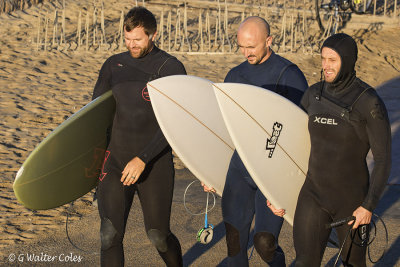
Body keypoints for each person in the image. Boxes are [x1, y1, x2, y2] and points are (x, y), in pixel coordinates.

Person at [203, 16, 308, 267]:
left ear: (269, 41)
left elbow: (300, 133)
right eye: (241, 46)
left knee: (264, 242)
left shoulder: (289, 75)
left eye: (252, 46)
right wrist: (205, 168)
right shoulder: (234, 75)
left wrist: (285, 186)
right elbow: (225, 127)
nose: (246, 52)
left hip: (272, 171)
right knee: (234, 243)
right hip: (241, 168)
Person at [92, 7, 186, 267]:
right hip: (115, 161)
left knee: (158, 236)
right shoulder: (113, 65)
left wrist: (143, 158)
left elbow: (176, 123)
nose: (131, 45)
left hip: (153, 163)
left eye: (138, 40)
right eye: (127, 38)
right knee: (109, 234)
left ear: (153, 35)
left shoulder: (170, 68)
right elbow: (95, 114)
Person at [293, 33, 392, 267]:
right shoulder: (312, 95)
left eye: (332, 60)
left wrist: (368, 206)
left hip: (351, 201)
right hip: (313, 195)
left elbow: (383, 159)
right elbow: (289, 142)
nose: (325, 66)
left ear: (347, 61)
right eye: (323, 59)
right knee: (304, 262)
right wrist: (274, 190)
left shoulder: (368, 102)